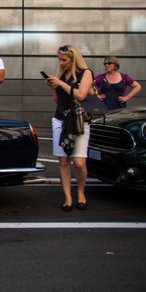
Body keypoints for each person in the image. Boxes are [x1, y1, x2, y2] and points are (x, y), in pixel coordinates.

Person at [45, 45, 93, 212]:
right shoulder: (61, 75)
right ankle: (68, 197)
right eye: (59, 60)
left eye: (64, 60)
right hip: (60, 119)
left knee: (79, 162)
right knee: (64, 161)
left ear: (73, 59)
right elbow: (58, 101)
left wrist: (61, 83)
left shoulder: (85, 73)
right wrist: (54, 88)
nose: (61, 63)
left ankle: (81, 192)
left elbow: (81, 95)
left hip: (78, 121)